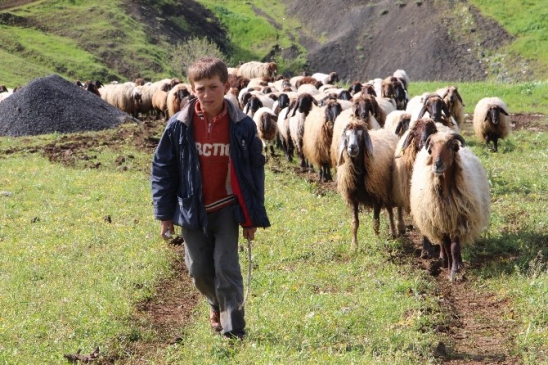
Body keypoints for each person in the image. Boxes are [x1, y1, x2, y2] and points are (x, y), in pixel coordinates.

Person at [151, 57, 270, 340]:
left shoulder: (242, 126)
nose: (207, 94)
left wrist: (251, 217)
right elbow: (162, 169)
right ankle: (214, 303)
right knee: (199, 271)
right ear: (193, 90)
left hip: (227, 207)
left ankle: (234, 331)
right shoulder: (179, 125)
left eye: (213, 87)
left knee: (226, 268)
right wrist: (164, 215)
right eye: (201, 88)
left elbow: (254, 171)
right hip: (191, 208)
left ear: (226, 86)